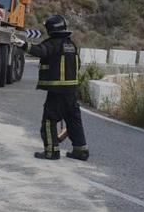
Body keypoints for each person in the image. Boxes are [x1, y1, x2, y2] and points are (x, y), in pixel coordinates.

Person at [14, 15, 89, 161]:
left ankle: (51, 151)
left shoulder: (53, 43)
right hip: (72, 91)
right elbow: (77, 65)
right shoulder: (71, 45)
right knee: (73, 120)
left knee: (49, 120)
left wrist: (22, 44)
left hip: (57, 90)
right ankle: (81, 151)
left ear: (51, 29)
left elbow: (40, 51)